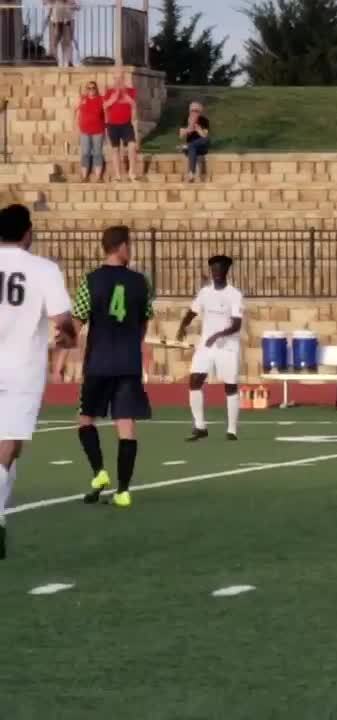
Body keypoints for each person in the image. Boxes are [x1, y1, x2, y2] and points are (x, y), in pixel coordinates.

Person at [0, 204, 76, 558]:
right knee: (9, 446)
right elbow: (63, 320)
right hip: (20, 369)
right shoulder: (43, 269)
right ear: (27, 232)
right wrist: (69, 338)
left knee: (9, 451)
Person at [70, 226, 153, 509]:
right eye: (129, 246)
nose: (131, 251)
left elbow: (77, 322)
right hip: (128, 363)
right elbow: (144, 321)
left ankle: (99, 472)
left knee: (85, 420)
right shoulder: (141, 282)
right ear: (120, 247)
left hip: (99, 363)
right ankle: (124, 490)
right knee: (126, 425)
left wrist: (60, 346)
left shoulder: (90, 281)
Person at [176, 255, 243, 442]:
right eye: (214, 270)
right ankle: (200, 426)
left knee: (230, 385)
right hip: (207, 345)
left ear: (226, 271)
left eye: (220, 270)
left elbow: (237, 324)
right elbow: (192, 311)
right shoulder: (205, 293)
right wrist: (183, 326)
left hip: (227, 346)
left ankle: (231, 430)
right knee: (195, 380)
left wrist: (218, 335)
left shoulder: (234, 295)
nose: (217, 273)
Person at [103, 72, 139, 182]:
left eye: (120, 79)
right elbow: (105, 105)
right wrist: (114, 97)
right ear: (113, 80)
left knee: (132, 146)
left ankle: (132, 173)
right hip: (112, 124)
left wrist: (124, 96)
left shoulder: (131, 91)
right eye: (116, 79)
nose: (118, 81)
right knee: (115, 149)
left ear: (124, 79)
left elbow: (133, 105)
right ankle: (117, 175)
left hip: (126, 124)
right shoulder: (109, 92)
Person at [76, 80, 105, 182]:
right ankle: (84, 176)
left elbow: (107, 111)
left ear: (96, 89)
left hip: (98, 130)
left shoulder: (101, 99)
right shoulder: (83, 99)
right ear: (86, 89)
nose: (91, 90)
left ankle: (98, 177)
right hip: (85, 130)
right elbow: (74, 110)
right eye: (89, 88)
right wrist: (74, 125)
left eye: (93, 88)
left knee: (97, 153)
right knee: (85, 153)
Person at [178, 101, 210, 182]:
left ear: (200, 112)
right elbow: (181, 135)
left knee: (203, 140)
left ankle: (186, 147)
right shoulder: (185, 120)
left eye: (196, 111)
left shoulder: (204, 120)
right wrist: (189, 128)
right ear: (189, 111)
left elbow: (204, 136)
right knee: (192, 147)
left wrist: (198, 129)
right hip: (192, 148)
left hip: (202, 147)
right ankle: (191, 174)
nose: (194, 113)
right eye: (192, 110)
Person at [45, 0, 78, 67]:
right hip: (59, 17)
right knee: (59, 41)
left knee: (64, 41)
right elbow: (46, 2)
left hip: (64, 17)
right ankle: (60, 61)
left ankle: (66, 61)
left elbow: (77, 6)